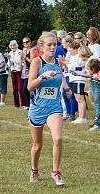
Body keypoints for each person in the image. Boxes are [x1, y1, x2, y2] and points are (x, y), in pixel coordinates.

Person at [27, 32, 71, 186]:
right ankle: (34, 170)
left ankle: (56, 172)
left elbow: (61, 77)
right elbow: (29, 86)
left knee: (58, 139)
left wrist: (66, 88)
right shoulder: (37, 62)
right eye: (49, 45)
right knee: (37, 145)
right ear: (41, 46)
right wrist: (43, 77)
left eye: (55, 44)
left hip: (54, 106)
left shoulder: (58, 62)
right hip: (38, 108)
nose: (53, 47)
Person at [67, 41, 87, 124]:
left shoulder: (79, 56)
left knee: (80, 98)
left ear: (75, 49)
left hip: (78, 79)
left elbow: (79, 67)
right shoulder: (72, 57)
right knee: (77, 98)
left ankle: (83, 117)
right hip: (73, 79)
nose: (69, 51)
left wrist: (65, 64)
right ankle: (80, 116)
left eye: (70, 49)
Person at [6, 40, 25, 108]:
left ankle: (23, 103)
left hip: (19, 71)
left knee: (20, 88)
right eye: (11, 45)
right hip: (13, 71)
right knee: (14, 88)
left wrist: (10, 58)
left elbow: (19, 62)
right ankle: (16, 104)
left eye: (14, 45)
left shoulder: (20, 52)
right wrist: (8, 61)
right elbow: (9, 63)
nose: (12, 47)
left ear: (16, 45)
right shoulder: (10, 53)